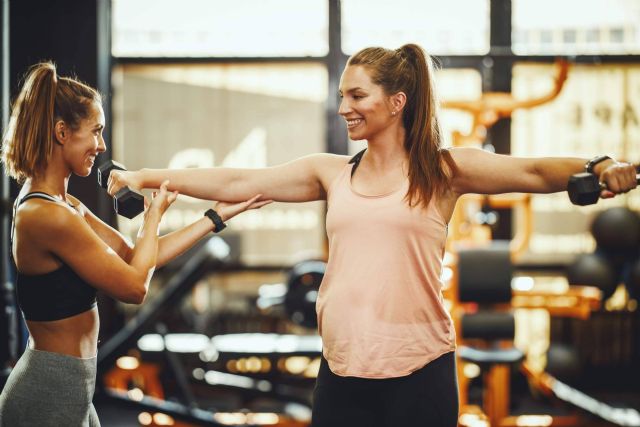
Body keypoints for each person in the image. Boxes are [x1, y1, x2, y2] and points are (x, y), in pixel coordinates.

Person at [106, 45, 637, 427]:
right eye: (341, 95)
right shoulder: (330, 172)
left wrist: (599, 163)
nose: (344, 108)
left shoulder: (443, 172)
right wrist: (143, 178)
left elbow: (534, 171)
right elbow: (239, 181)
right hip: (342, 370)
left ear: (396, 101)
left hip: (420, 371)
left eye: (357, 95)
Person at [0, 62, 270, 427]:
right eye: (96, 132)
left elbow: (134, 256)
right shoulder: (45, 215)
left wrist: (215, 217)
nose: (102, 145)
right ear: (62, 132)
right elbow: (134, 286)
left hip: (74, 386)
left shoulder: (64, 204)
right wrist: (154, 214)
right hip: (50, 391)